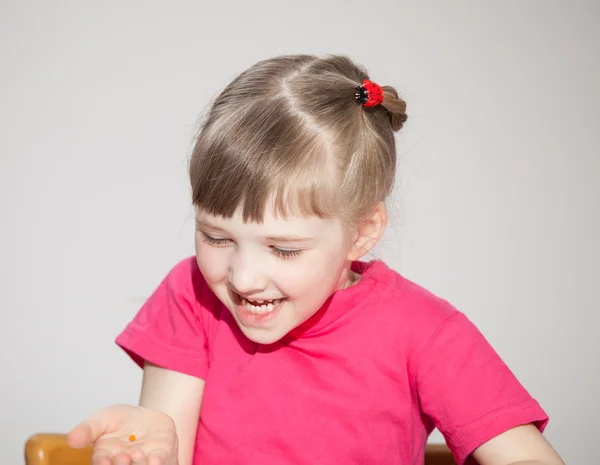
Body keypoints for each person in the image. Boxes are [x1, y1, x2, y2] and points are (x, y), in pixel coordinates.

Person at [66, 54, 564, 465]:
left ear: (362, 231)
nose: (242, 277)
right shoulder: (190, 293)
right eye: (215, 237)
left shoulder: (425, 333)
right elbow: (163, 441)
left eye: (283, 248)